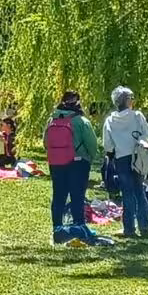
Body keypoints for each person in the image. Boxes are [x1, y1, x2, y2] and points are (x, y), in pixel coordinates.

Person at [45, 90, 99, 240]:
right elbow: (92, 144)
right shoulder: (81, 121)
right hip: (78, 163)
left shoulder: (52, 120)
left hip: (56, 163)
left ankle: (57, 228)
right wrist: (88, 158)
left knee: (58, 195)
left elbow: (45, 142)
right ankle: (79, 227)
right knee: (77, 196)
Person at [103, 86, 148, 238]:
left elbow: (108, 144)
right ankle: (145, 226)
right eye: (131, 98)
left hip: (121, 158)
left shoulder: (110, 120)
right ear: (127, 101)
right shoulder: (137, 116)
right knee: (139, 190)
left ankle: (129, 229)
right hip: (137, 156)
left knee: (127, 193)